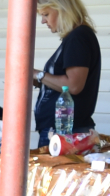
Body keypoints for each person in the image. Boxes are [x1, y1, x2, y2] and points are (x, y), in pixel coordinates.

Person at [34, 0, 101, 146]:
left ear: (63, 10)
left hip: (65, 132)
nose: (43, 21)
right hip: (64, 130)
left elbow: (73, 86)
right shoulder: (76, 37)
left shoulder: (78, 37)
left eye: (46, 14)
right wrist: (42, 82)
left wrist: (38, 74)